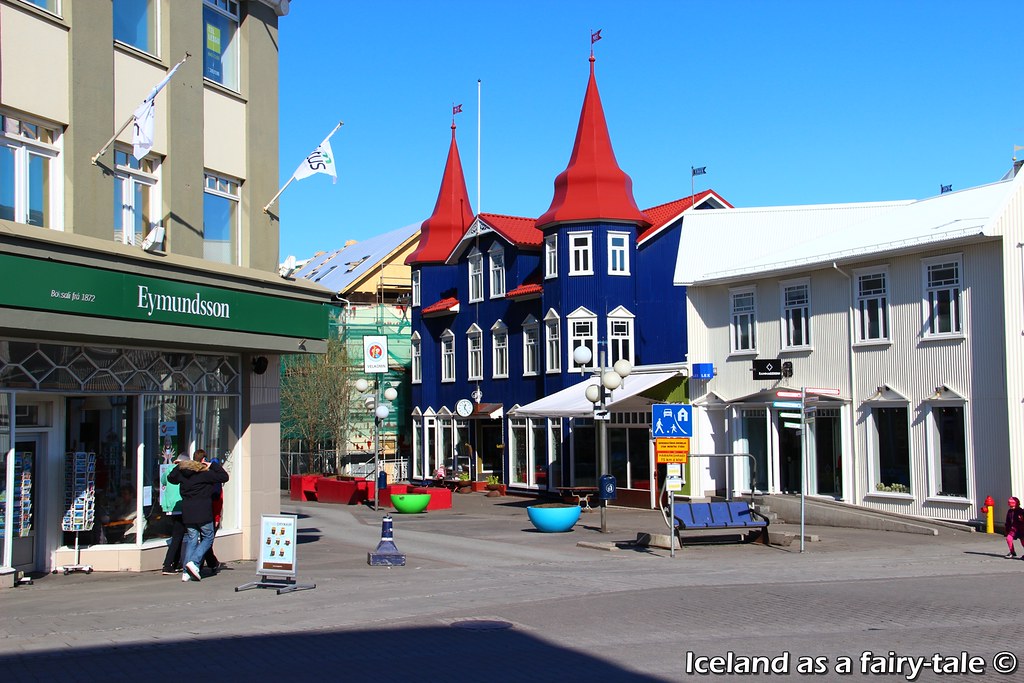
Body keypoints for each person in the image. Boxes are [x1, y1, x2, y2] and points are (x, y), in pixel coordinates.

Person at [168, 451, 228, 582]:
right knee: (208, 536)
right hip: (203, 511)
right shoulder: (205, 474)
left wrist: (180, 466)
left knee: (192, 538)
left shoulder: (183, 474)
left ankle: (186, 572)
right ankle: (194, 562)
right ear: (202, 460)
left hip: (188, 511)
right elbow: (224, 476)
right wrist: (212, 465)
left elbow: (171, 478)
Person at [160, 454, 189, 575]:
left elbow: (162, 482)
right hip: (180, 506)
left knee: (179, 534)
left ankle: (175, 562)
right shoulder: (183, 473)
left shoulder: (168, 471)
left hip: (170, 507)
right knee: (177, 536)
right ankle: (168, 564)